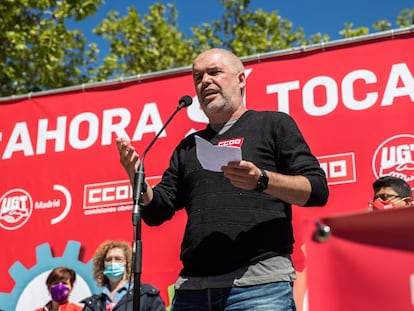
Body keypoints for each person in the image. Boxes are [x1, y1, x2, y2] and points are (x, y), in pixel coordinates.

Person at [116, 48, 329, 310]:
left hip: (260, 287)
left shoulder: (274, 124)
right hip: (192, 292)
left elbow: (317, 190)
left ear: (241, 79)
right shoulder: (189, 147)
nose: (205, 81)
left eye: (214, 72)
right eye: (198, 77)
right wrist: (137, 177)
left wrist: (262, 180)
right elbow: (156, 212)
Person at [81, 240, 166, 311]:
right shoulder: (93, 304)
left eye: (118, 259)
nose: (113, 262)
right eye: (108, 259)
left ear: (128, 263)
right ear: (102, 265)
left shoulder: (146, 296)